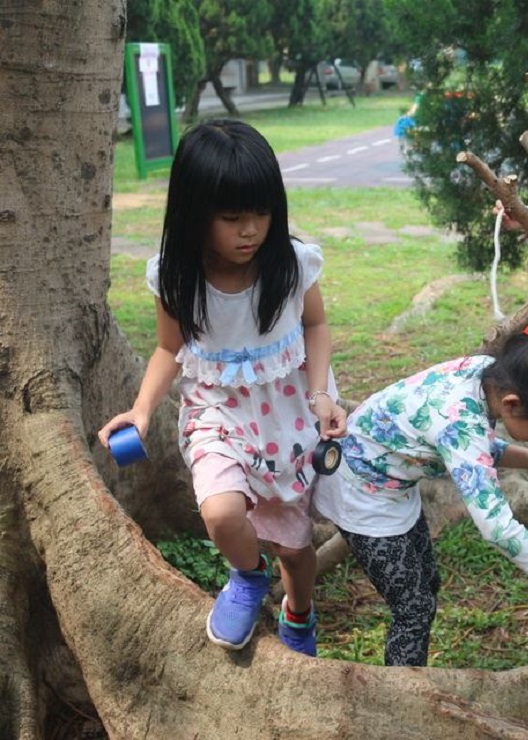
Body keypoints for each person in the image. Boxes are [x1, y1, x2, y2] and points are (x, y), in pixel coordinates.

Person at [98, 120, 347, 657]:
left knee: (296, 546)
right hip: (219, 414)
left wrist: (322, 393)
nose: (250, 230)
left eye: (261, 214)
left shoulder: (293, 264)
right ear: (194, 213)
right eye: (232, 218)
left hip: (289, 415)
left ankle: (299, 613)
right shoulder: (175, 278)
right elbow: (169, 350)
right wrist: (141, 412)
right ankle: (247, 577)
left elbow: (316, 326)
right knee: (221, 511)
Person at [312, 317, 528, 666]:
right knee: (414, 608)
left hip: (390, 482)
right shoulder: (459, 419)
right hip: (361, 494)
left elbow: (465, 445)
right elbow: (495, 524)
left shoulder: (486, 374)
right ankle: (401, 694)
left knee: (426, 583)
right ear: (511, 403)